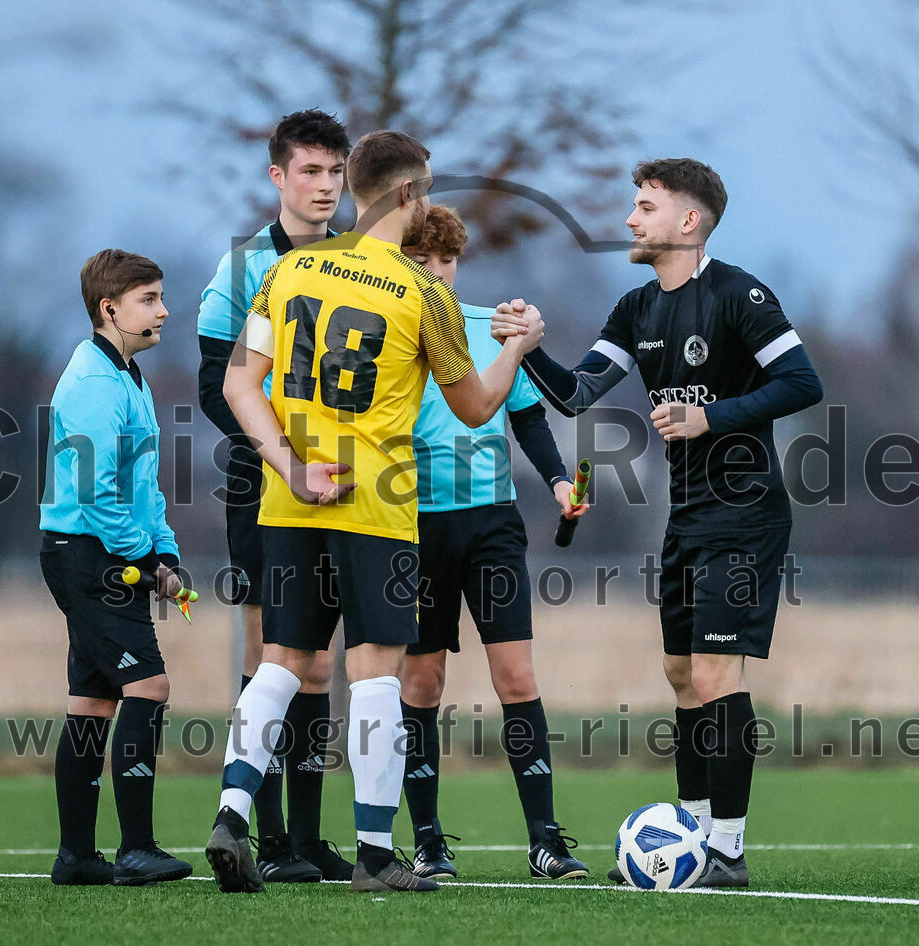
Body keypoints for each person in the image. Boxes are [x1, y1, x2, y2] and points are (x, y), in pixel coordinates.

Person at [204, 130, 544, 893]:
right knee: (376, 675)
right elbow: (476, 406)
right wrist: (518, 347)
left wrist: (290, 464)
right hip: (376, 505)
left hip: (291, 498)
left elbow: (236, 387)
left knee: (281, 663)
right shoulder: (424, 293)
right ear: (409, 196)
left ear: (354, 188)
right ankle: (375, 856)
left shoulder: (289, 271)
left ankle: (231, 812)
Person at [492, 159, 823, 888]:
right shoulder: (637, 308)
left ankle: (726, 854)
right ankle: (691, 839)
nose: (631, 220)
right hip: (689, 517)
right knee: (680, 676)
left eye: (645, 207)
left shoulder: (741, 295)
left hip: (746, 516)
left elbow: (803, 381)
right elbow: (576, 394)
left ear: (688, 221)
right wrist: (526, 344)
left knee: (713, 675)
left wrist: (711, 416)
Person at [398, 205, 588, 881]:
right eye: (422, 262)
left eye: (446, 262)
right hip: (414, 527)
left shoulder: (487, 327)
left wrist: (562, 482)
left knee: (517, 677)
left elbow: (529, 418)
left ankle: (545, 840)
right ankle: (427, 842)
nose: (437, 274)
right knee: (422, 681)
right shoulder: (390, 330)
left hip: (492, 524)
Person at [197, 108, 353, 883]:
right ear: (278, 177)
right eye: (310, 172)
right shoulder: (242, 269)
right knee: (271, 655)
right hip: (261, 487)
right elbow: (214, 387)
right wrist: (284, 454)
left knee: (319, 664)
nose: (325, 187)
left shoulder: (361, 265)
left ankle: (306, 840)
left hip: (349, 488)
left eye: (335, 172)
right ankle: (262, 833)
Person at [39, 249, 193, 886]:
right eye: (149, 300)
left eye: (160, 297)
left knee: (91, 703)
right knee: (148, 688)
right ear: (111, 310)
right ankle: (137, 848)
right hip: (88, 556)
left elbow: (142, 487)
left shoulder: (129, 376)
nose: (163, 311)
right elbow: (99, 495)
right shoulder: (95, 386)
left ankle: (76, 857)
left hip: (100, 553)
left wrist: (165, 551)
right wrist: (142, 555)